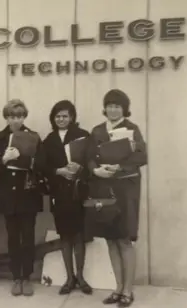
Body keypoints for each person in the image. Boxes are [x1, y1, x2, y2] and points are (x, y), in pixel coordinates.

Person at [86, 89, 147, 307]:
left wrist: (119, 167)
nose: (113, 110)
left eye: (117, 106)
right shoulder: (97, 130)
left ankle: (128, 291)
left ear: (124, 108)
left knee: (124, 239)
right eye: (109, 105)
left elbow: (142, 156)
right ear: (105, 108)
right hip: (104, 189)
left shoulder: (132, 129)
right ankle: (118, 287)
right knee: (110, 239)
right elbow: (89, 157)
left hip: (126, 190)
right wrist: (95, 171)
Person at [0, 99, 44, 296]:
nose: (16, 121)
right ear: (6, 117)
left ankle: (27, 276)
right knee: (12, 238)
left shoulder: (34, 136)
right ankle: (16, 277)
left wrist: (23, 159)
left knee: (28, 237)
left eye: (19, 116)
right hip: (8, 195)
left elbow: (42, 164)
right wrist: (4, 159)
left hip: (27, 194)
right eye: (12, 117)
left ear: (24, 117)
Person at [38, 100, 93, 295]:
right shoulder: (49, 140)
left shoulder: (83, 136)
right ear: (53, 119)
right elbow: (42, 166)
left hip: (78, 192)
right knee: (65, 235)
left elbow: (92, 161)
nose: (61, 119)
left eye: (65, 116)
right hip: (59, 193)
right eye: (58, 116)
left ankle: (81, 277)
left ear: (72, 117)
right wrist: (58, 171)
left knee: (79, 235)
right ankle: (69, 278)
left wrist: (81, 168)